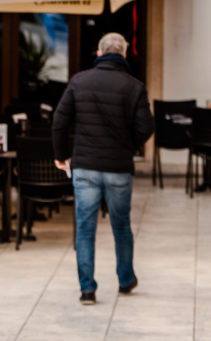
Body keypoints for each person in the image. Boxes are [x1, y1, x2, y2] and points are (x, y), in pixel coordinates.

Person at [52, 32, 154, 305]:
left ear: (99, 54)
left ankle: (87, 290)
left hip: (85, 166)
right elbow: (147, 127)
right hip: (119, 167)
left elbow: (59, 120)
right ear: (124, 54)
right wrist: (127, 145)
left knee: (85, 229)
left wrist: (61, 156)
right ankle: (125, 280)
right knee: (121, 226)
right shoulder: (134, 86)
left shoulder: (79, 81)